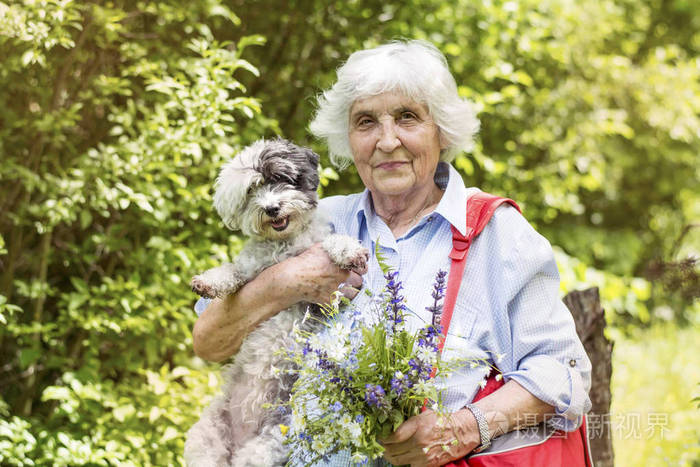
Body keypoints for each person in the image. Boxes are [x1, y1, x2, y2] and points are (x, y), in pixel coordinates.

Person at [193, 40, 592, 466]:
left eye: (407, 117)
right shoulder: (310, 222)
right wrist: (287, 280)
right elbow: (210, 341)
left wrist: (461, 429)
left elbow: (563, 373)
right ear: (347, 139)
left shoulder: (497, 234)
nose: (387, 141)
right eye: (366, 122)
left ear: (441, 129)